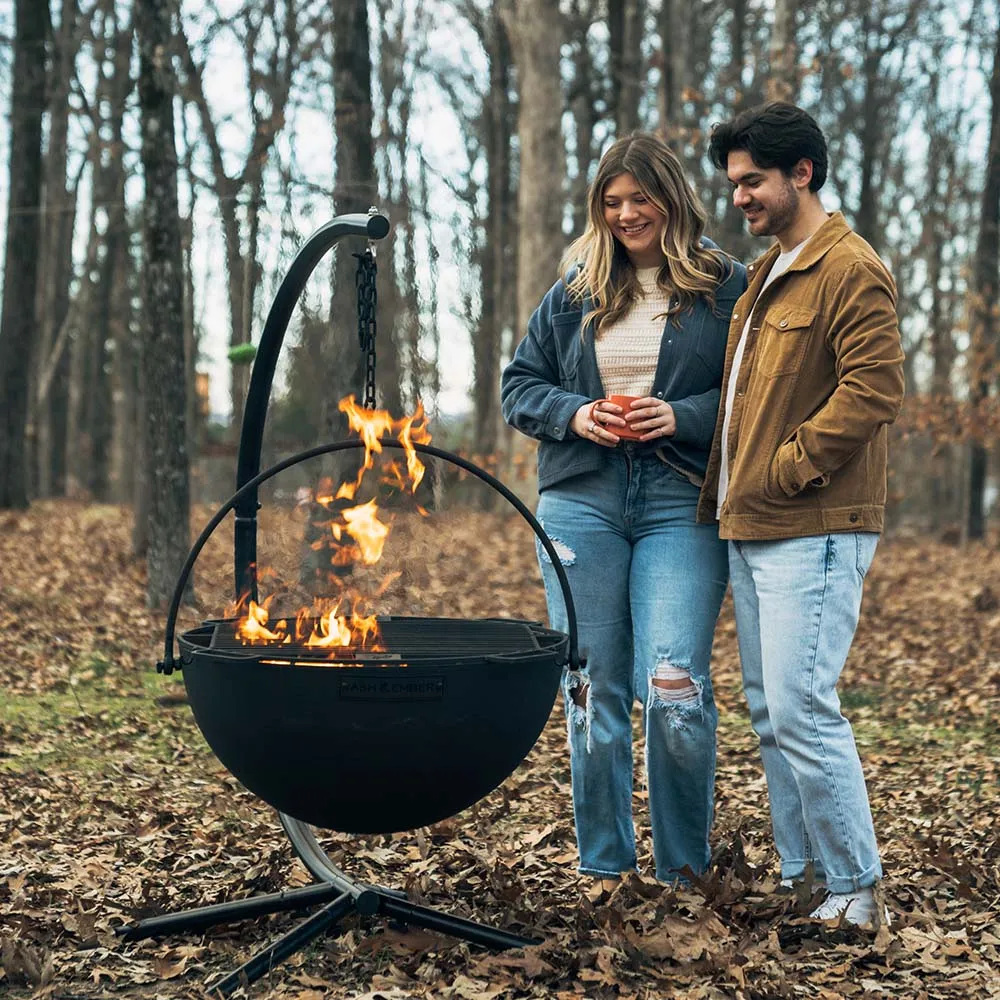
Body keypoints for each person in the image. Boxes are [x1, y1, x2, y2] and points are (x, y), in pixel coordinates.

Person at [501, 133, 746, 891]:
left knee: (673, 686)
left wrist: (684, 416)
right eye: (612, 202)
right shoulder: (576, 288)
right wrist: (576, 414)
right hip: (582, 499)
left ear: (672, 198)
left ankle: (682, 872)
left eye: (640, 198)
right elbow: (519, 385)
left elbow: (757, 393)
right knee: (588, 688)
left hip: (680, 499)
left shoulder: (726, 286)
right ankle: (604, 868)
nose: (627, 214)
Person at [698, 102, 905, 926]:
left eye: (753, 182)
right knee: (768, 710)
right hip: (753, 525)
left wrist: (787, 469)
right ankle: (805, 872)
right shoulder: (767, 274)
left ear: (802, 174)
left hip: (815, 526)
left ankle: (857, 886)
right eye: (734, 183)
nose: (740, 197)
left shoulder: (851, 268)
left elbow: (874, 388)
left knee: (801, 707)